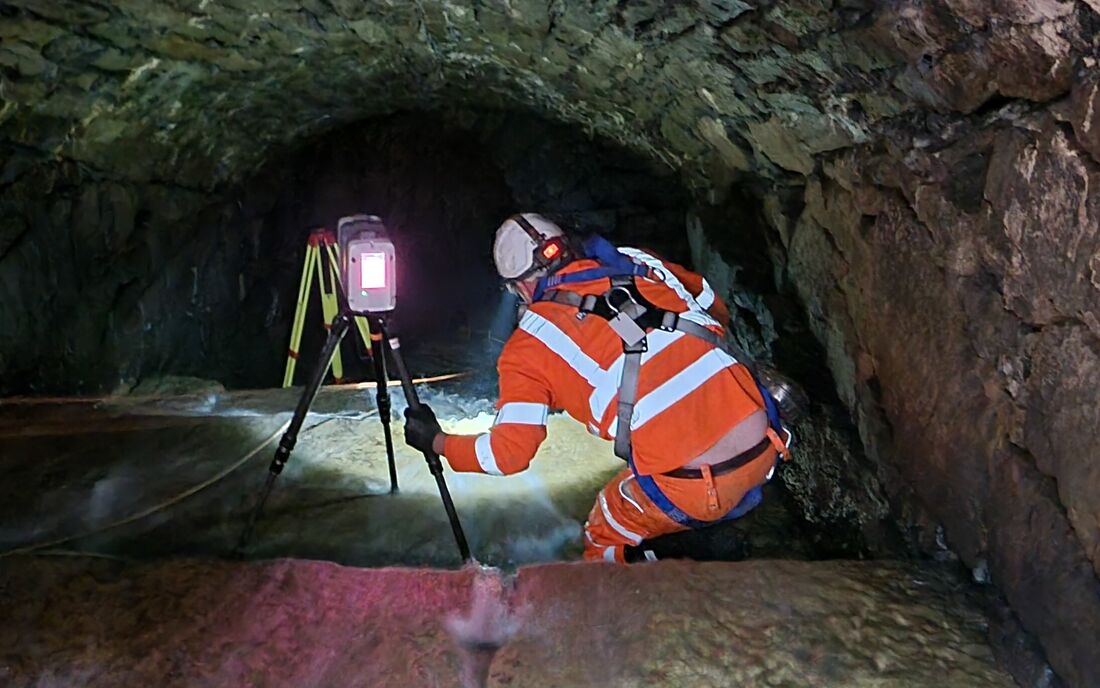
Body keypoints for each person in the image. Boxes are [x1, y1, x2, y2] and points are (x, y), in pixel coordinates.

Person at [403, 213, 793, 563]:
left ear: (520, 287)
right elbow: (711, 305)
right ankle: (701, 532)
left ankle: (643, 604)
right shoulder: (641, 262)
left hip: (696, 489)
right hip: (769, 441)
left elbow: (506, 455)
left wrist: (437, 441)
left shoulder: (528, 347)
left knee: (604, 524)